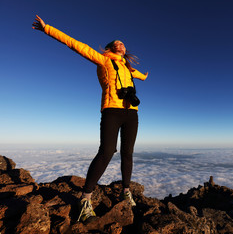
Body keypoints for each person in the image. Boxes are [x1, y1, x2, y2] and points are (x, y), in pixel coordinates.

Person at [32, 15, 148, 222]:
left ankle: (126, 191)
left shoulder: (129, 69)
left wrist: (144, 76)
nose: (120, 44)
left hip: (132, 113)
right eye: (116, 43)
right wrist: (47, 28)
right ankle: (85, 198)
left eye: (122, 43)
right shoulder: (103, 60)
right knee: (107, 151)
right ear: (110, 48)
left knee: (127, 153)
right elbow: (75, 44)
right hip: (111, 110)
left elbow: (138, 74)